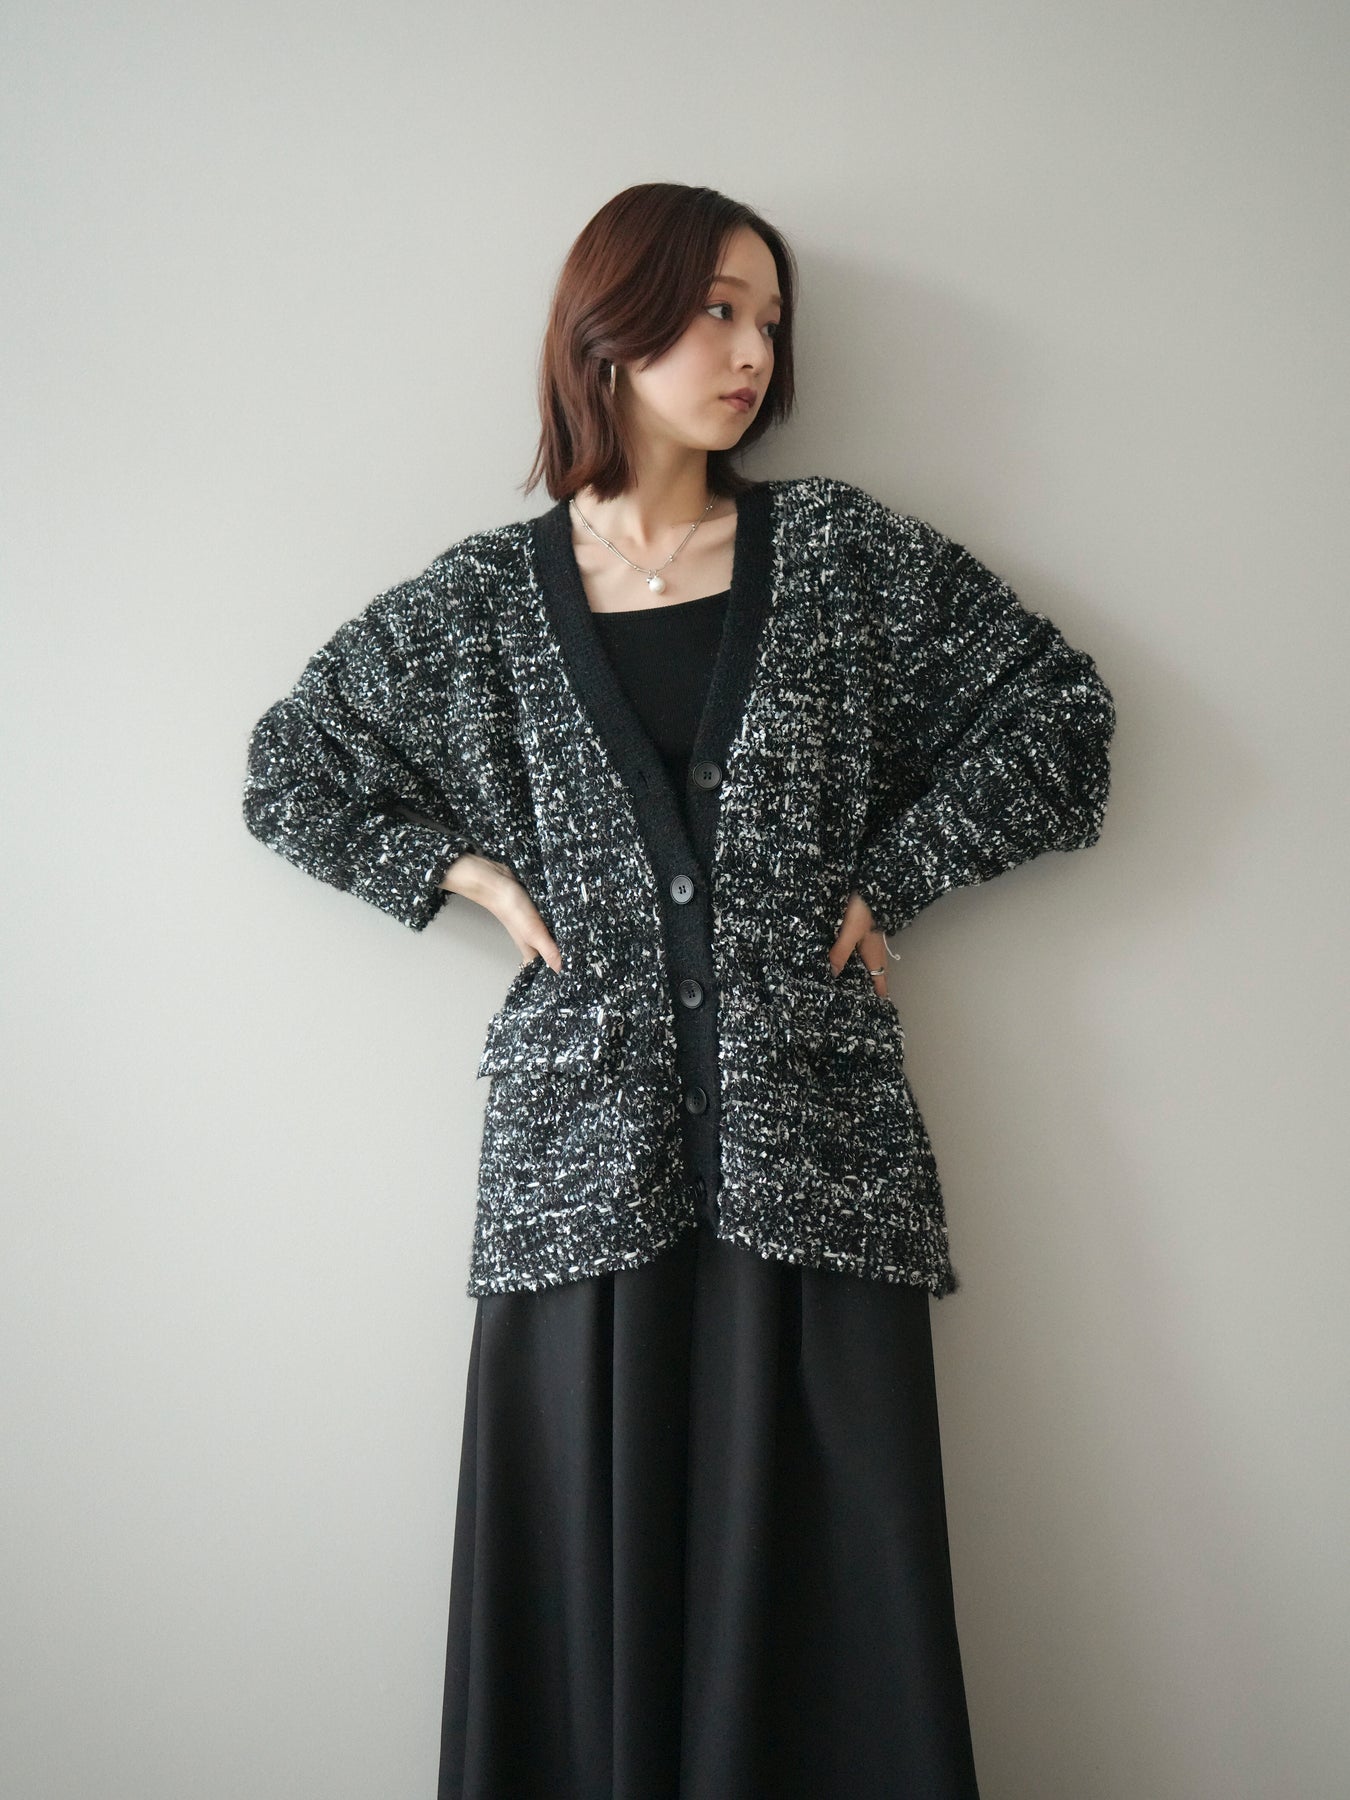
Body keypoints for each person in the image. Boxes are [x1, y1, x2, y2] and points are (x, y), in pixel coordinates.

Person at [243, 181, 1116, 1799]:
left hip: (815, 1163)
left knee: (832, 1613)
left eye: (768, 319)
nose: (751, 351)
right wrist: (467, 876)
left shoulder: (839, 558)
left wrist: (893, 878)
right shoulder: (482, 604)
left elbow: (1059, 722)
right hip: (580, 1177)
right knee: (586, 1604)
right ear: (611, 327)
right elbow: (290, 769)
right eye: (716, 309)